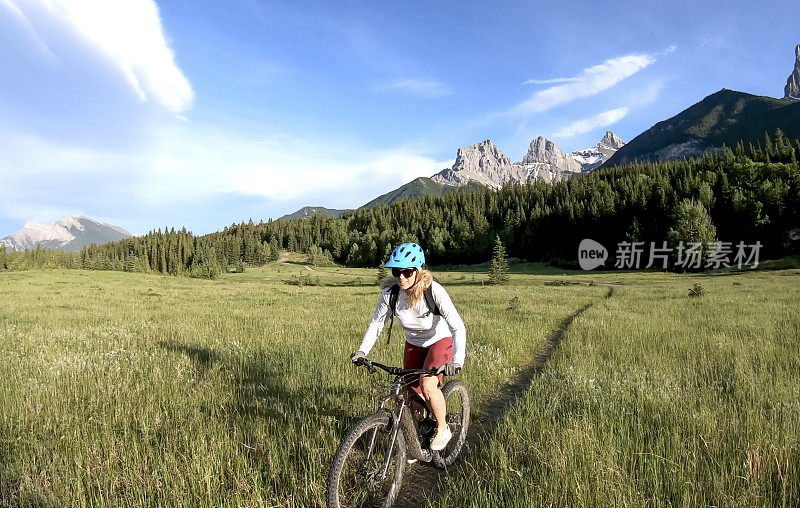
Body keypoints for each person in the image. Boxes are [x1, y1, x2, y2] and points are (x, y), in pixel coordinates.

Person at [350, 242, 466, 452]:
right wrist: (362, 351)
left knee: (428, 385)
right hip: (414, 343)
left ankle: (443, 428)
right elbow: (376, 324)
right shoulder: (390, 295)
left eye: (407, 272)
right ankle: (417, 442)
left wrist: (458, 360)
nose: (401, 277)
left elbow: (457, 326)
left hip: (439, 340)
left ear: (418, 271)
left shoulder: (434, 291)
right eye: (397, 271)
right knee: (411, 393)